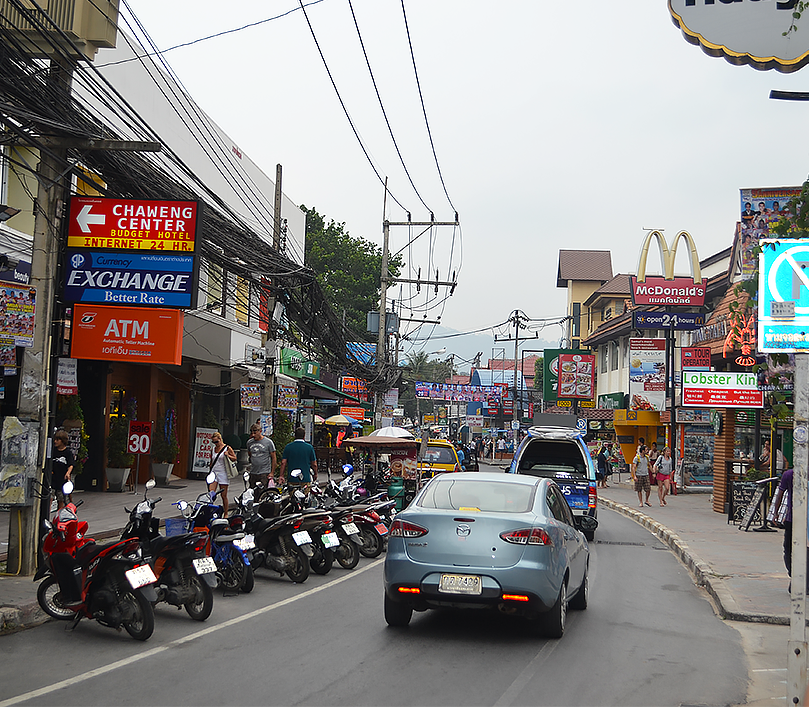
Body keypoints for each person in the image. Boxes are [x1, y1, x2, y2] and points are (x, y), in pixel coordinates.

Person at [208, 431, 237, 516]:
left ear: (220, 439)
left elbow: (234, 458)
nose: (215, 444)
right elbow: (211, 461)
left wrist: (228, 455)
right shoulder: (213, 449)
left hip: (223, 473)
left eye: (216, 442)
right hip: (214, 472)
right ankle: (210, 512)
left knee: (223, 495)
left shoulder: (227, 448)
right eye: (213, 442)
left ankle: (226, 513)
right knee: (211, 494)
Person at [51, 430, 74, 511]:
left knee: (60, 499)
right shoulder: (53, 451)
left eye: (57, 440)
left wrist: (68, 473)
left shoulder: (68, 452)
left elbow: (71, 464)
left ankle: (58, 515)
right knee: (50, 496)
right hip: (52, 478)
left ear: (63, 440)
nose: (55, 441)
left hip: (62, 478)